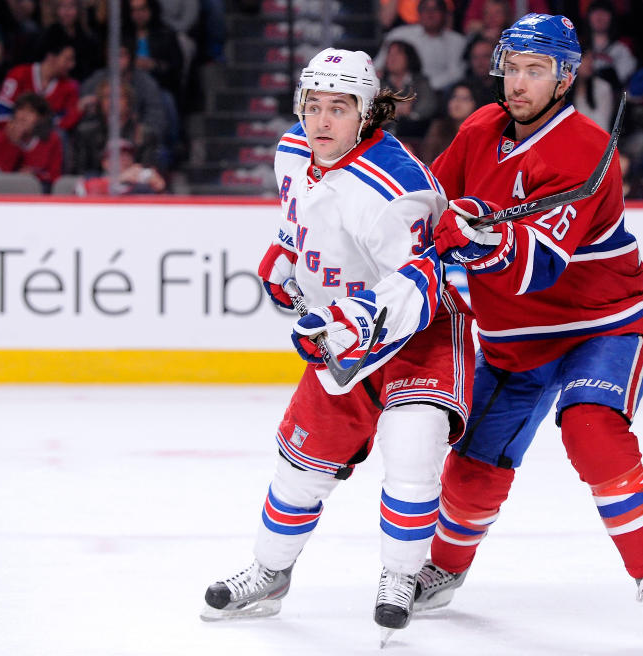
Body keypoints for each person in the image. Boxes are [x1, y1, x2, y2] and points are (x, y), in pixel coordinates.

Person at [411, 13, 643, 630]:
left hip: (601, 325)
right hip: (513, 338)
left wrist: (480, 237)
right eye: (512, 68)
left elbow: (539, 265)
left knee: (592, 429)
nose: (518, 82)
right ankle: (444, 570)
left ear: (564, 79)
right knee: (474, 461)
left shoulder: (585, 149)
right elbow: (426, 202)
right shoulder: (481, 128)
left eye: (535, 71)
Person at [200, 48, 475, 636]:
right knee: (300, 469)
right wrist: (285, 255)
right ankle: (270, 573)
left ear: (366, 113)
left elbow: (424, 283)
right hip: (342, 334)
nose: (321, 121)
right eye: (313, 105)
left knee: (411, 451)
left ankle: (400, 576)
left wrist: (348, 323)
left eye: (339, 108)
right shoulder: (291, 150)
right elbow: (299, 219)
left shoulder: (396, 189)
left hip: (420, 334)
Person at [374, 0, 468, 95]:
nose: (430, 14)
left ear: (445, 14)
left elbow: (456, 73)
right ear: (418, 12)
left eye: (435, 9)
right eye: (425, 9)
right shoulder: (399, 34)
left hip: (438, 93)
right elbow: (377, 66)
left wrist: (424, 87)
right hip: (398, 91)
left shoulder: (457, 41)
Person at [0, 91, 62, 190]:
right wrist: (14, 143)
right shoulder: (0, 138)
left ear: (41, 118)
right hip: (5, 191)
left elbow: (55, 177)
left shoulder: (51, 139)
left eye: (30, 112)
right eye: (20, 110)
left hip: (38, 192)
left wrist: (33, 176)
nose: (23, 117)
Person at [78, 137, 166, 195]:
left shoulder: (140, 185)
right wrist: (119, 178)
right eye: (119, 155)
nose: (125, 159)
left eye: (128, 155)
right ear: (105, 163)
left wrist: (160, 190)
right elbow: (83, 191)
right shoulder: (92, 177)